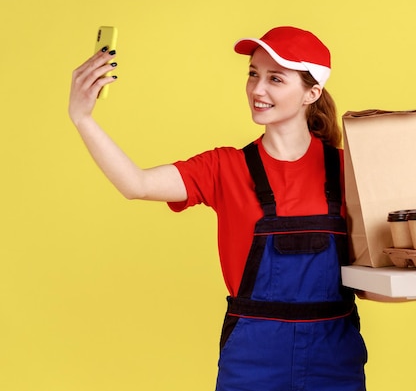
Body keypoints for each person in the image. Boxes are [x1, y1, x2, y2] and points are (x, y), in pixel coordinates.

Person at [69, 26, 369, 390]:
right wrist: (83, 118)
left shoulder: (347, 169)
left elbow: (385, 255)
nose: (258, 90)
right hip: (251, 362)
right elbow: (136, 184)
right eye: (253, 75)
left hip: (334, 358)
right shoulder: (223, 168)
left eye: (276, 78)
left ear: (312, 93)